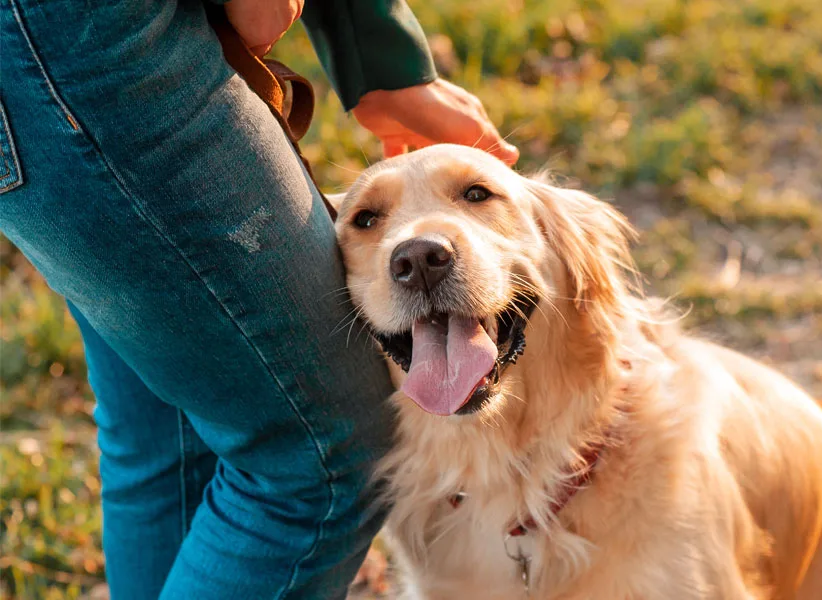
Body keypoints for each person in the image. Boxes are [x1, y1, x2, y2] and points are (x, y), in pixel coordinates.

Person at [0, 0, 517, 597]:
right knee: (319, 458)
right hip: (78, 43)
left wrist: (379, 55)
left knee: (172, 428)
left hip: (45, 56)